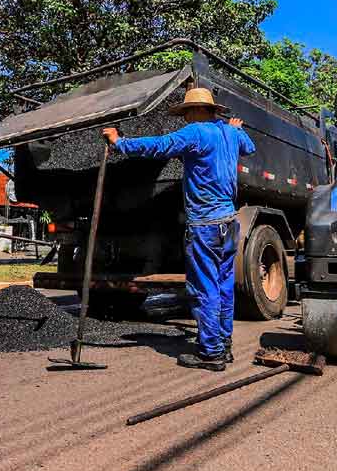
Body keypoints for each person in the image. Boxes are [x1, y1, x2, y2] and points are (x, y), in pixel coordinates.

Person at [102, 87, 255, 371]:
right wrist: (236, 128)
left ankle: (210, 353)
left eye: (186, 113)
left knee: (204, 287)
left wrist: (119, 142)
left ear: (197, 111)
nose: (184, 119)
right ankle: (224, 344)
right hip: (229, 222)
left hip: (205, 224)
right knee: (223, 286)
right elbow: (250, 147)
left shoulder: (196, 132)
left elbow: (159, 145)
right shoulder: (231, 134)